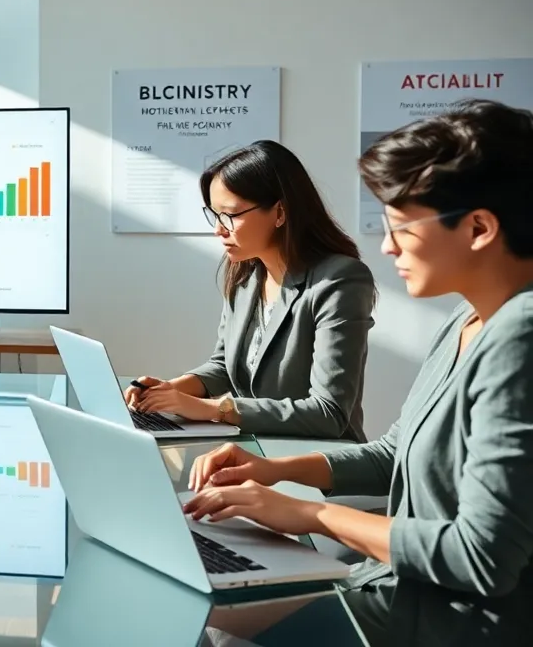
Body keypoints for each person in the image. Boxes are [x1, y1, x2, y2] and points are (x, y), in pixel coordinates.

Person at [183, 100, 533, 645]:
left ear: (480, 227)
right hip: (399, 584)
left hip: (448, 618)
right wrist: (270, 470)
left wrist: (308, 515)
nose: (387, 245)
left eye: (400, 226)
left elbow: (480, 558)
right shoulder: (468, 319)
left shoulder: (520, 336)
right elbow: (393, 453)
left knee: (210, 620)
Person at [127, 141, 375, 441]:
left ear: (280, 212)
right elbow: (224, 367)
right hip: (251, 444)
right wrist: (171, 390)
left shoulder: (339, 280)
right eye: (215, 214)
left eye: (230, 215)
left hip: (317, 460)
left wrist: (213, 408)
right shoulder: (245, 275)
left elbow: (328, 413)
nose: (219, 229)